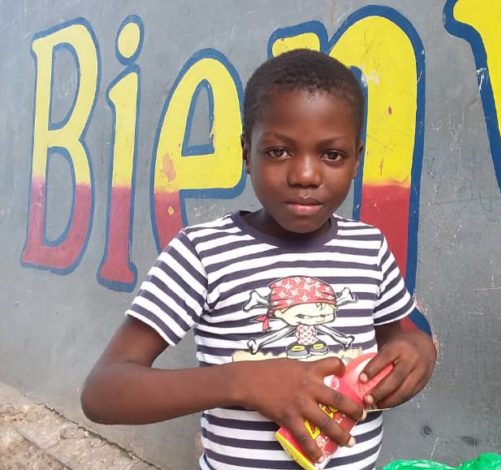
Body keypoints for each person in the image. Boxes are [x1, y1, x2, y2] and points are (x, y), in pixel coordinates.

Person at [81, 49, 437, 470]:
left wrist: (419, 351)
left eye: (332, 155)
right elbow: (103, 393)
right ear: (246, 153)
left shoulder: (369, 248)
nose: (305, 174)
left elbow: (397, 337)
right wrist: (242, 381)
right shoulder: (203, 254)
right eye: (279, 152)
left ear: (357, 159)